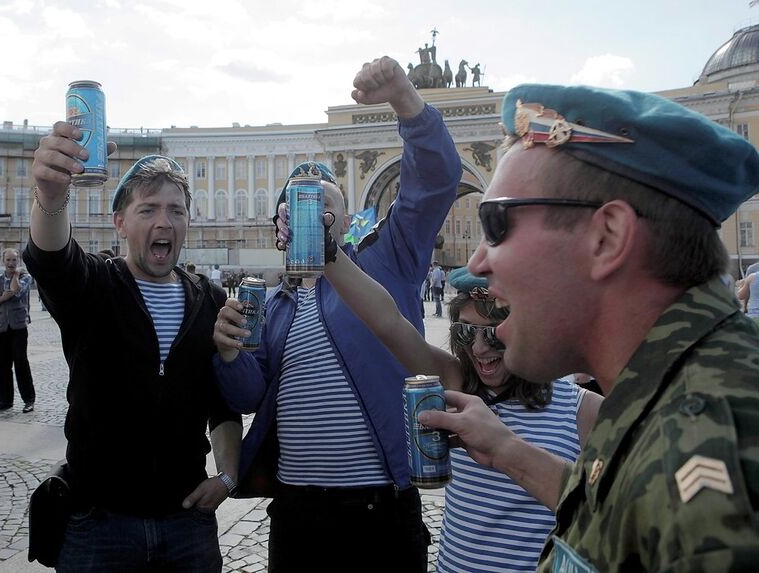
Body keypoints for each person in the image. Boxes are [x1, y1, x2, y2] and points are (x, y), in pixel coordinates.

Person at [418, 84, 759, 570]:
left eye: (495, 224)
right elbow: (624, 509)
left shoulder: (707, 447)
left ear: (607, 237)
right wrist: (507, 452)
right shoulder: (670, 399)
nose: (477, 262)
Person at [212, 55, 462, 572]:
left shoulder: (386, 259)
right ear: (280, 227)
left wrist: (404, 97)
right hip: (298, 512)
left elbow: (435, 180)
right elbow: (247, 395)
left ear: (347, 220)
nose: (310, 219)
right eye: (295, 209)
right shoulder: (274, 306)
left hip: (380, 508)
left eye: (324, 207)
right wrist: (228, 351)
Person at [309, 244, 603, 571]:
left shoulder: (585, 411)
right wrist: (328, 253)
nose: (478, 348)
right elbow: (387, 323)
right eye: (464, 331)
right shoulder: (456, 381)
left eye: (493, 335)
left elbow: (618, 518)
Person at [25, 144, 242, 572]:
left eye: (176, 211)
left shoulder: (211, 300)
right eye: (148, 210)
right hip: (98, 526)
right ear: (120, 223)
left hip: (187, 525)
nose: (164, 221)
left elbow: (222, 402)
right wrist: (51, 198)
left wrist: (228, 477)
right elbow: (53, 260)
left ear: (187, 222)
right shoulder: (95, 286)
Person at [0, 248, 35, 413]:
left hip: (18, 326)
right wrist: (3, 297)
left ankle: (29, 399)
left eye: (14, 260)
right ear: (3, 261)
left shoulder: (25, 277)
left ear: (18, 262)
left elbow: (17, 292)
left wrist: (16, 276)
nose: (11, 263)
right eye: (8, 260)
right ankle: (5, 400)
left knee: (20, 362)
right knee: (2, 364)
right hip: (1, 326)